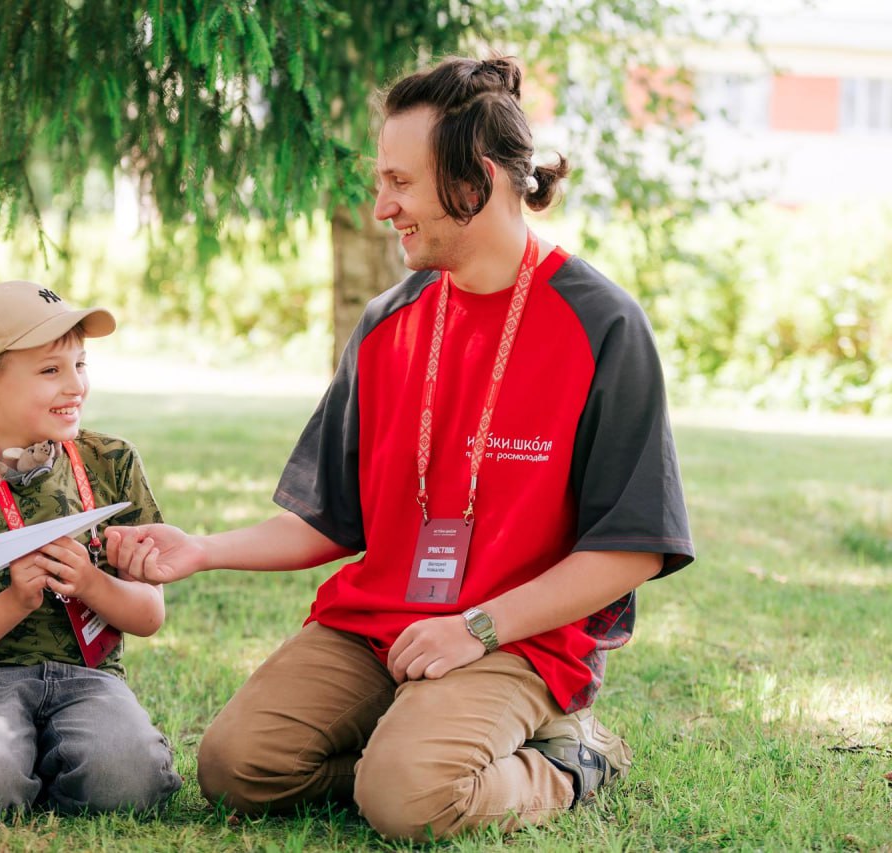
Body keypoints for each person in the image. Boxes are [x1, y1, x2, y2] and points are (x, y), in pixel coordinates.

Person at [106, 55, 695, 841]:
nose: (382, 206)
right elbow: (331, 517)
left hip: (517, 638)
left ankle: (568, 757)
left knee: (409, 801)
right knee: (236, 766)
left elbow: (631, 548)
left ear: (475, 181)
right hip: (378, 624)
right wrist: (202, 550)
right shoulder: (389, 321)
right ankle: (406, 749)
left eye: (399, 182)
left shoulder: (603, 325)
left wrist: (474, 628)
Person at [0, 281, 181, 817]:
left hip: (91, 681)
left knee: (128, 786)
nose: (76, 385)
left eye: (81, 364)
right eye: (51, 370)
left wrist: (92, 583)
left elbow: (149, 615)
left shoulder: (113, 463)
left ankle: (43, 760)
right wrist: (14, 602)